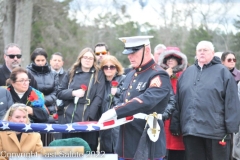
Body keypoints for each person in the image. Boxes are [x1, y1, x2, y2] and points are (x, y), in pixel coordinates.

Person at [98, 36, 172, 160]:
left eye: (133, 52)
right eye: (128, 53)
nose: (129, 56)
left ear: (147, 50)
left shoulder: (159, 74)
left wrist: (115, 111)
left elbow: (147, 100)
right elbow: (122, 100)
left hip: (146, 141)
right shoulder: (130, 75)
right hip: (125, 143)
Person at [173, 41, 240, 160]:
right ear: (196, 53)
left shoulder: (223, 73)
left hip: (216, 132)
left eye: (205, 50)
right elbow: (178, 101)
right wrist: (176, 124)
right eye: (199, 50)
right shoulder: (187, 73)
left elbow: (232, 102)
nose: (202, 53)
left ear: (213, 53)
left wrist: (231, 129)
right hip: (191, 130)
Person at [57, 47, 105, 151]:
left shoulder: (98, 73)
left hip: (89, 117)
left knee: (88, 147)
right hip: (69, 116)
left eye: (90, 58)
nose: (88, 60)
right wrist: (73, 93)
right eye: (85, 57)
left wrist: (90, 115)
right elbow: (59, 92)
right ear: (80, 58)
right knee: (70, 148)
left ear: (94, 60)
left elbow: (99, 96)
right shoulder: (71, 72)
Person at [158, 47, 188, 160]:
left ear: (179, 60)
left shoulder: (184, 76)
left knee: (178, 152)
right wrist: (165, 77)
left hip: (178, 120)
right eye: (168, 57)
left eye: (173, 57)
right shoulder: (159, 75)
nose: (170, 60)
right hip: (163, 119)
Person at [99, 55, 125, 153]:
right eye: (106, 67)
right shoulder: (100, 82)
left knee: (117, 150)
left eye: (112, 67)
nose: (109, 69)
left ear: (117, 68)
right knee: (105, 150)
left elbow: (126, 98)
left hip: (118, 121)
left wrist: (117, 91)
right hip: (103, 121)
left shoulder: (123, 79)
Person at [27, 48, 58, 115]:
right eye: (38, 60)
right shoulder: (27, 73)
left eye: (42, 60)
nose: (40, 63)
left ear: (46, 60)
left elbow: (56, 92)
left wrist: (43, 100)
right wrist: (37, 101)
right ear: (33, 60)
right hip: (33, 108)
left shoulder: (53, 73)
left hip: (51, 108)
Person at [50, 52, 67, 139]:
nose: (56, 62)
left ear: (62, 63)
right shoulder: (46, 74)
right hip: (48, 109)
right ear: (50, 62)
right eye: (54, 60)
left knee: (60, 135)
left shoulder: (67, 76)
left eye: (59, 60)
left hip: (62, 111)